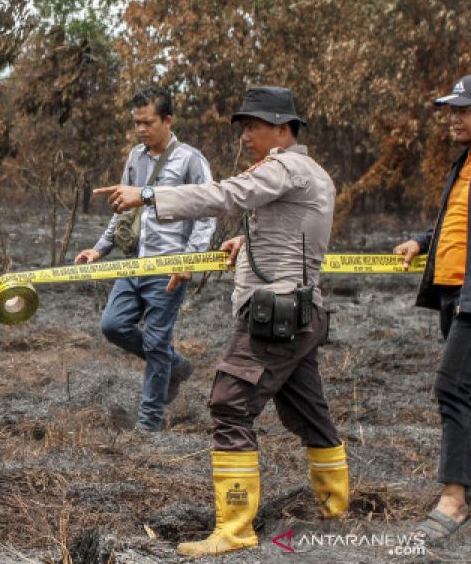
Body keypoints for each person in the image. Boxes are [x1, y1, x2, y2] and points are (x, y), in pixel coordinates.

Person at [99, 86, 348, 557]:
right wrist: (244, 245)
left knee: (230, 403)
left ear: (281, 126)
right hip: (300, 311)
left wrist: (148, 195)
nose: (246, 136)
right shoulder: (308, 172)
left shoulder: (286, 166)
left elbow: (227, 194)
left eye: (252, 126)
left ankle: (235, 528)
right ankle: (335, 507)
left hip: (276, 316)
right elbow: (291, 233)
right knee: (309, 411)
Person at [392, 75, 471, 541]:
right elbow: (460, 220)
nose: (453, 118)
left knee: (450, 387)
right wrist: (423, 241)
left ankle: (453, 499)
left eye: (464, 110)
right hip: (453, 291)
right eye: (451, 110)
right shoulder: (467, 163)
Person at [74, 86, 215, 431]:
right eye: (136, 123)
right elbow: (123, 208)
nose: (140, 129)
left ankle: (148, 425)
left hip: (168, 266)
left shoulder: (191, 160)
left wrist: (190, 260)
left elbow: (208, 212)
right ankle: (176, 366)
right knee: (113, 325)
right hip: (134, 261)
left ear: (167, 120)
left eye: (148, 122)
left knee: (155, 341)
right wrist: (100, 248)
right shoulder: (136, 157)